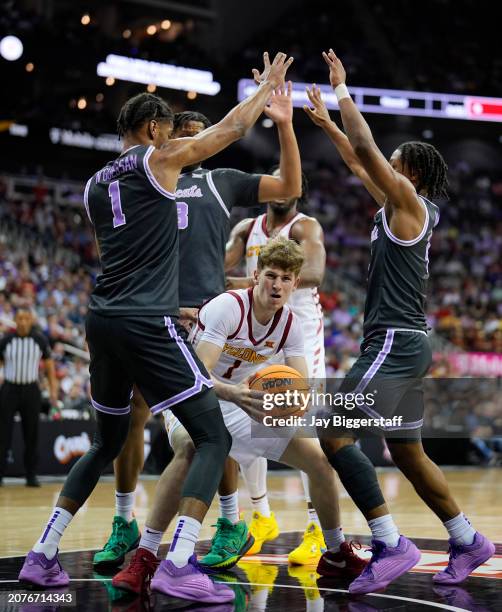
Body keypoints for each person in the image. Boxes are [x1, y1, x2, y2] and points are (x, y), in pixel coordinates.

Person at [18, 51, 294, 605]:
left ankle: (42, 554)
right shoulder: (157, 161)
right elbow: (235, 127)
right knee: (212, 436)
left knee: (105, 444)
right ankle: (180, 562)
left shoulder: (96, 182)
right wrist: (265, 90)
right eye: (167, 133)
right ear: (151, 130)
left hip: (102, 319)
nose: (173, 143)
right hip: (148, 318)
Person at [302, 49, 495, 594]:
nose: (383, 163)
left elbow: (366, 150)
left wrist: (343, 92)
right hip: (409, 343)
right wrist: (327, 127)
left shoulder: (409, 202)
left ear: (409, 172)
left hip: (393, 342)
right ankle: (467, 539)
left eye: (394, 159)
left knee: (334, 431)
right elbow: (360, 162)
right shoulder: (398, 206)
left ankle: (390, 542)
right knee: (408, 451)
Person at [93, 81, 303, 571]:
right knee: (132, 416)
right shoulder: (144, 178)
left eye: (195, 133)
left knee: (212, 421)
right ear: (163, 138)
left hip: (207, 314)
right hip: (153, 308)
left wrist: (287, 126)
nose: (186, 139)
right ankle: (125, 521)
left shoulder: (219, 179)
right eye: (178, 132)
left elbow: (289, 187)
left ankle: (230, 520)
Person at [112, 237, 366, 596]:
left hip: (246, 398)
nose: (277, 285)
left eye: (285, 279)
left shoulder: (292, 324)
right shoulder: (227, 308)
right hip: (194, 393)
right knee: (192, 447)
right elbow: (198, 376)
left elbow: (300, 386)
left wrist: (295, 403)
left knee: (319, 463)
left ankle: (336, 551)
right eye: (271, 276)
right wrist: (236, 394)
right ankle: (146, 557)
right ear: (255, 276)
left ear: (295, 284)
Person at [225, 169, 328, 564]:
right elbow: (217, 267)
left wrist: (248, 283)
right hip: (256, 329)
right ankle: (262, 514)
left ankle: (317, 528)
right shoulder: (246, 227)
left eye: (292, 182)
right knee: (245, 412)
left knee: (300, 421)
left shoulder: (305, 227)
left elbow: (315, 273)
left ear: (299, 191)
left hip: (299, 330)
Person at [0, 309, 58, 487]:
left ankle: (31, 475)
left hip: (31, 390)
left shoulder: (39, 339)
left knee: (31, 433)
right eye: (20, 319)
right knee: (3, 433)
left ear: (31, 320)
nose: (23, 322)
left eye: (26, 319)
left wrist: (53, 390)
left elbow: (49, 367)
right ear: (15, 321)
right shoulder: (6, 340)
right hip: (9, 389)